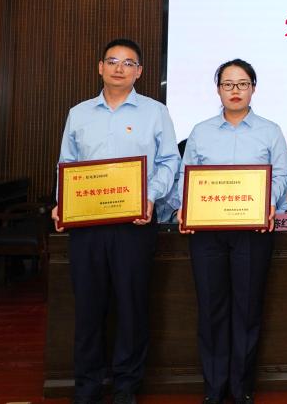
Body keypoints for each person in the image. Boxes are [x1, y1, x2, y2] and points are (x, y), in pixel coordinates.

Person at [54, 38, 180, 404]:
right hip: (87, 226)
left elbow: (169, 162)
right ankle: (87, 388)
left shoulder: (155, 112)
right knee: (89, 308)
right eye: (112, 61)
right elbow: (67, 164)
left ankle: (126, 387)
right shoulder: (79, 113)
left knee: (132, 307)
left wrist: (149, 197)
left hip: (134, 226)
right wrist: (62, 203)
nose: (119, 68)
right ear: (100, 67)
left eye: (128, 63)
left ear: (139, 71)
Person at [175, 58, 287, 404]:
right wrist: (184, 206)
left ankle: (241, 388)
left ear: (253, 88)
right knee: (211, 309)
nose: (235, 90)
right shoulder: (201, 132)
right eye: (228, 84)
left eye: (242, 84)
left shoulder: (270, 131)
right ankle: (214, 388)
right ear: (218, 90)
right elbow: (185, 176)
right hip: (207, 233)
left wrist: (267, 203)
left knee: (247, 310)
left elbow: (281, 175)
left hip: (253, 232)